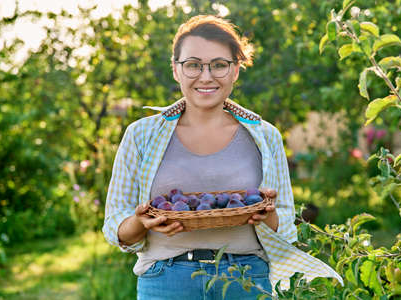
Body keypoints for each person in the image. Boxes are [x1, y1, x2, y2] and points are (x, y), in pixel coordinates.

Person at [103, 15, 342, 300]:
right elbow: (115, 224)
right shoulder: (141, 135)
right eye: (193, 65)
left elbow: (286, 226)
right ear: (176, 70)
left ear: (236, 70)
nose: (206, 76)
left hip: (247, 281)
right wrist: (142, 222)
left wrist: (269, 215)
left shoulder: (265, 136)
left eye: (219, 65)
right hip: (166, 281)